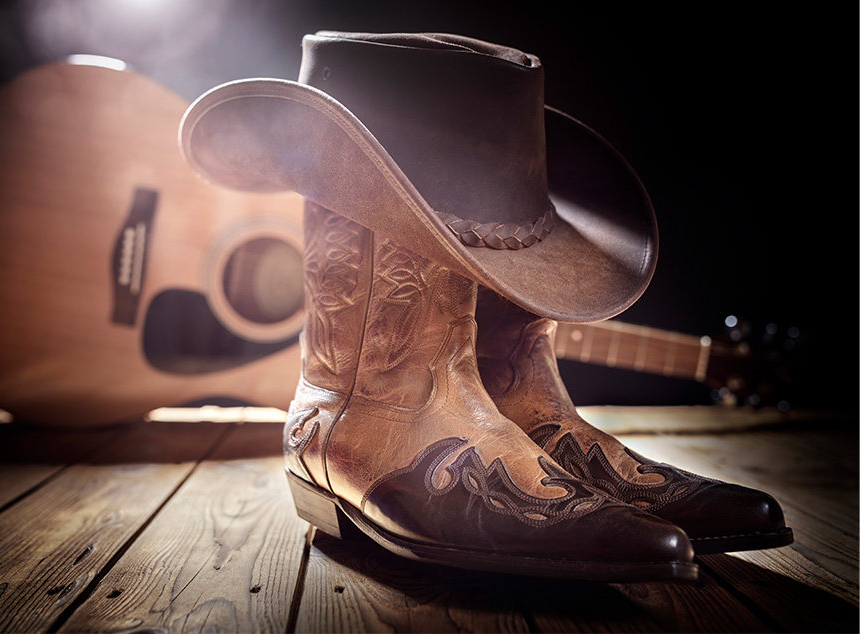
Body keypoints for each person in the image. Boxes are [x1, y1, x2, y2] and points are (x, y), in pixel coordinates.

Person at [179, 31, 790, 581]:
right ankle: (352, 430)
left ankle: (373, 438)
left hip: (427, 429)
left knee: (519, 401)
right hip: (364, 423)